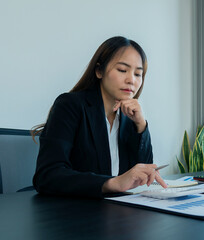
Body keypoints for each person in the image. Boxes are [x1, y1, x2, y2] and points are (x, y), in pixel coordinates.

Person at [32, 36, 167, 198]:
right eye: (122, 70)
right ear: (99, 71)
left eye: (138, 74)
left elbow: (145, 174)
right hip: (75, 212)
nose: (131, 80)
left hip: (118, 211)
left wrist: (141, 126)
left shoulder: (129, 118)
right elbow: (47, 176)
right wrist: (112, 183)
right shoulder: (70, 105)